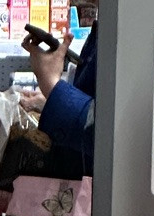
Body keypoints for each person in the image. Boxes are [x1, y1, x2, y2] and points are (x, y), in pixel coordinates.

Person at [22, 17, 98, 178]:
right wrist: (50, 101)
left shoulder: (130, 28)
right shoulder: (108, 22)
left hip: (99, 193)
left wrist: (52, 86)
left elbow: (105, 132)